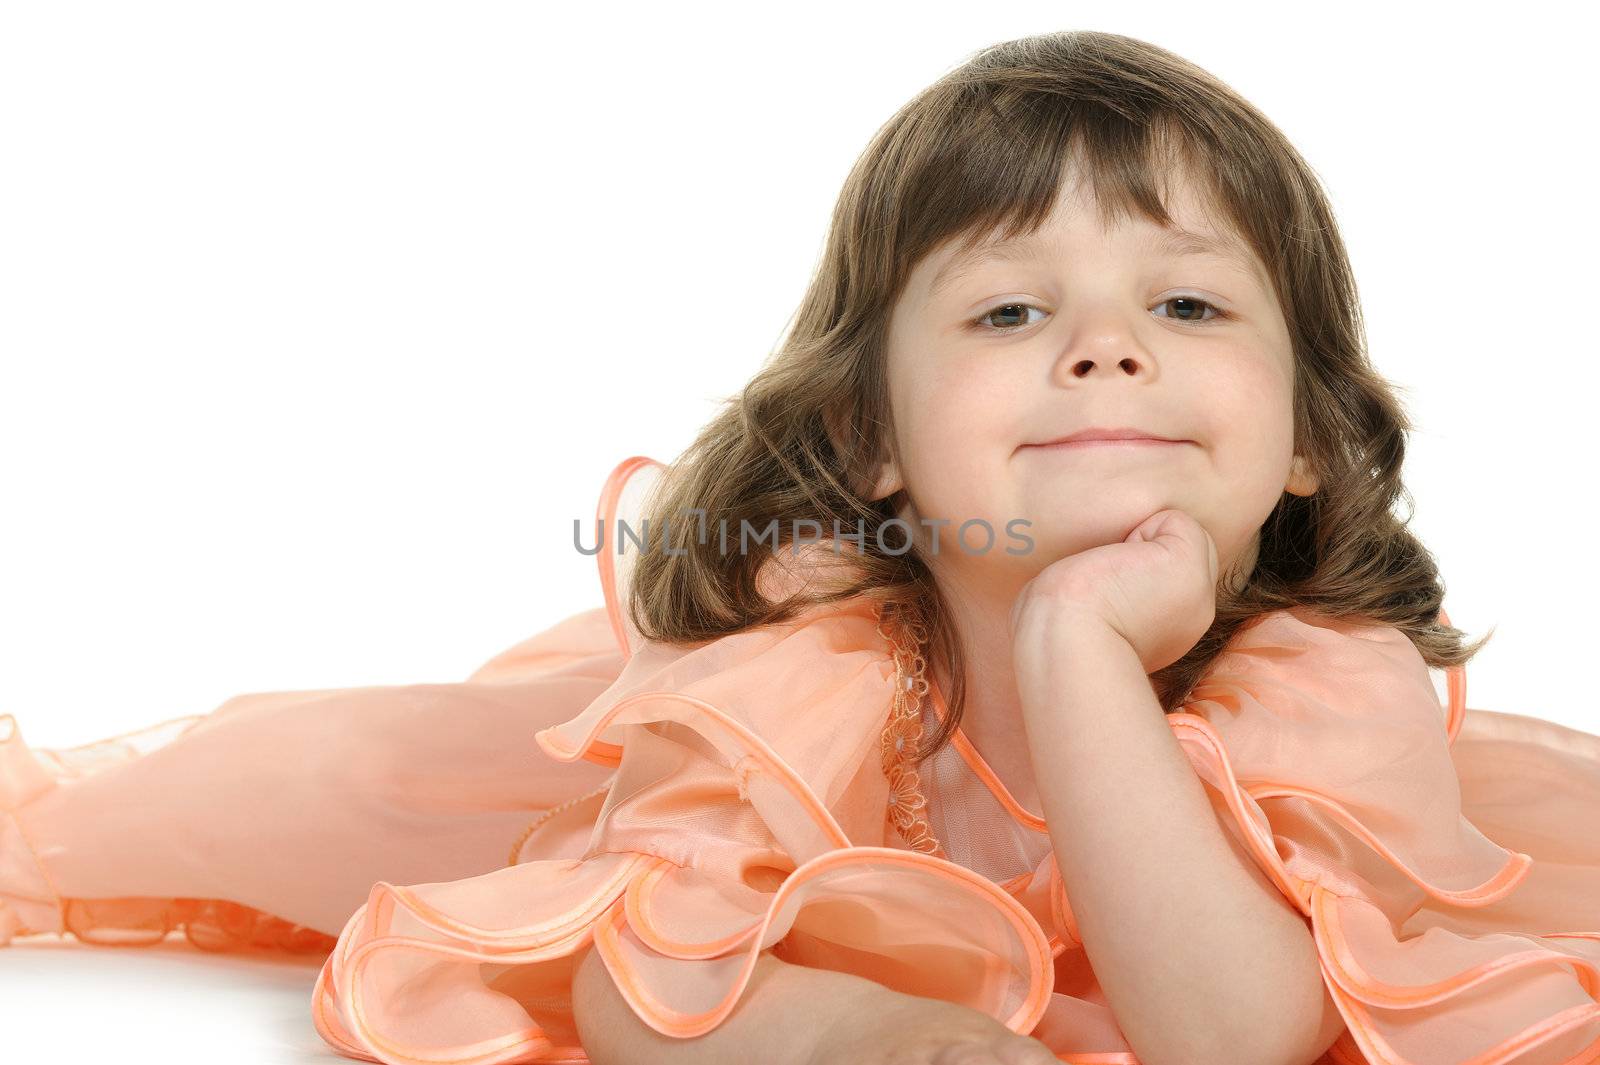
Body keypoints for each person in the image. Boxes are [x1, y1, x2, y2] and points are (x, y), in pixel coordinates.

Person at [5, 28, 1600, 1065]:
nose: (1108, 348)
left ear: (1310, 434)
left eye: (1186, 303)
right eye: (1009, 308)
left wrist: (1077, 644)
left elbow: (1233, 1040)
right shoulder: (805, 676)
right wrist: (857, 1029)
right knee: (326, 807)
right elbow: (635, 982)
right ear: (874, 446)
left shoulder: (1325, 689)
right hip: (734, 751)